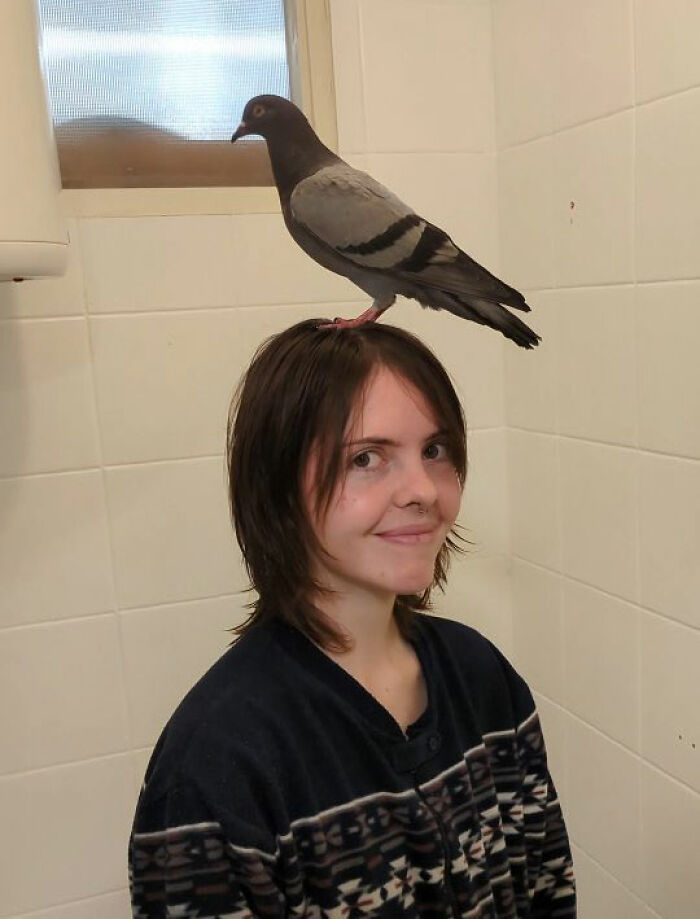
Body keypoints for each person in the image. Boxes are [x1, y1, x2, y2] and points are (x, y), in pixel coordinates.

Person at [128, 318, 576, 917]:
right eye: (367, 458)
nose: (423, 489)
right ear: (278, 486)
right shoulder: (217, 766)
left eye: (435, 451)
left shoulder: (483, 679)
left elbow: (546, 894)